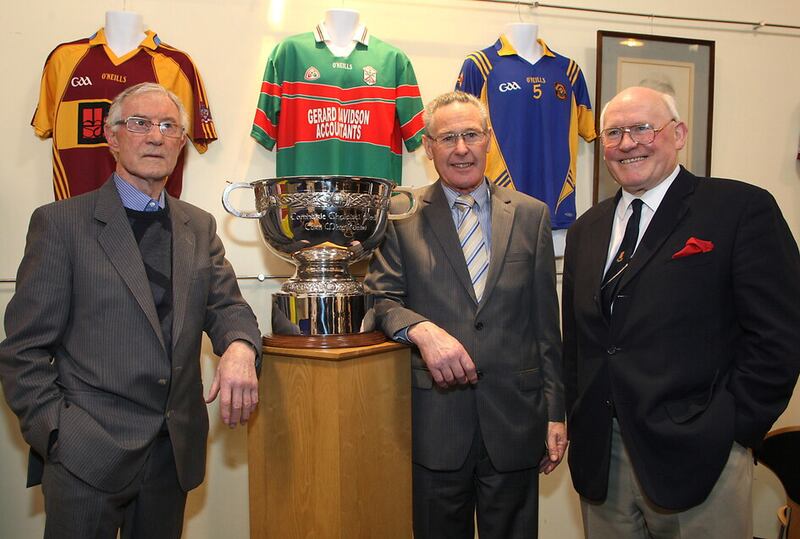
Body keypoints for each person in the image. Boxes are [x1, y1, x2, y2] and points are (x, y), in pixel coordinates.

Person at [0, 82, 261, 539]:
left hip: (170, 456)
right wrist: (56, 435)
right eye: (140, 123)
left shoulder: (197, 226)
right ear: (112, 137)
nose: (155, 136)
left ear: (182, 144)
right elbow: (23, 351)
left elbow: (227, 305)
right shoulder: (60, 224)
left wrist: (239, 347)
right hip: (84, 458)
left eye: (168, 127)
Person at [562, 86, 800, 538]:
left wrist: (734, 429)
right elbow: (578, 343)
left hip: (702, 455)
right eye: (613, 133)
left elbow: (781, 334)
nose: (627, 143)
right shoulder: (586, 230)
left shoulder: (738, 209)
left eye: (642, 128)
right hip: (601, 457)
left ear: (680, 134)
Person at [365, 90, 566, 539]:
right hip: (436, 426)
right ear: (428, 147)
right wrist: (420, 329)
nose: (461, 148)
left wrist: (556, 412)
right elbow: (380, 301)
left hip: (515, 423)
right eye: (448, 137)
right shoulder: (401, 214)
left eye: (471, 134)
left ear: (489, 139)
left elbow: (545, 327)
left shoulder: (532, 215)